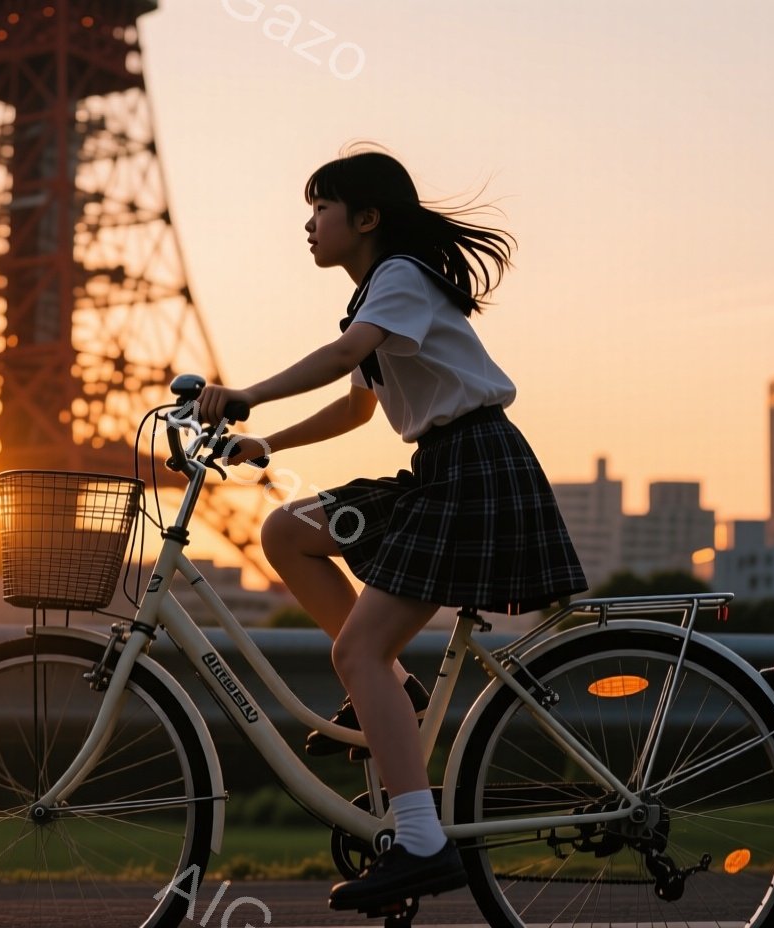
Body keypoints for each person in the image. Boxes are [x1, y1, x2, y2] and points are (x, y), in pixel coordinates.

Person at [197, 146, 589, 912]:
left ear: (366, 218)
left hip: (474, 471)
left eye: (321, 209)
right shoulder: (382, 293)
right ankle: (396, 687)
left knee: (355, 651)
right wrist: (270, 445)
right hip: (444, 471)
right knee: (288, 532)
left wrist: (247, 394)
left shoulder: (401, 277)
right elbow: (356, 405)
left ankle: (420, 841)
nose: (308, 225)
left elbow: (346, 355)